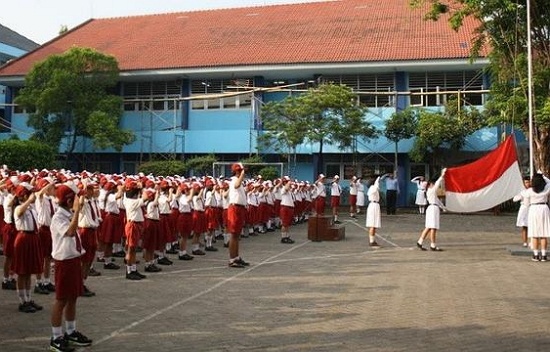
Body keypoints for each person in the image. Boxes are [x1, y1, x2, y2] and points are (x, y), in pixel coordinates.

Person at [49, 184, 92, 352]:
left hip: (73, 261)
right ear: (68, 200)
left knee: (73, 297)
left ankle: (71, 331)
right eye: (76, 198)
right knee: (61, 300)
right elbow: (71, 232)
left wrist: (75, 211)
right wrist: (76, 212)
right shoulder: (59, 217)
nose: (79, 200)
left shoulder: (68, 214)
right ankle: (56, 337)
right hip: (64, 263)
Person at [12, 181, 44, 313]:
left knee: (29, 271)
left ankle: (29, 298)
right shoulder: (19, 208)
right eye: (31, 193)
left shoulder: (31, 208)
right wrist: (28, 201)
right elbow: (19, 213)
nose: (34, 195)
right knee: (22, 272)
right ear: (24, 195)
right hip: (23, 239)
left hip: (32, 238)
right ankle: (22, 301)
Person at [123, 178, 149, 280]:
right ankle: (129, 271)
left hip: (135, 225)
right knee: (131, 249)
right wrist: (141, 188)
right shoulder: (132, 202)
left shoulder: (128, 199)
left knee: (133, 249)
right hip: (132, 225)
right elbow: (145, 197)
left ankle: (133, 269)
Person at [416, 169, 447, 251]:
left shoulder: (431, 192)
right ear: (430, 185)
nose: (434, 185)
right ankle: (433, 245)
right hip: (432, 209)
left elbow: (438, 201)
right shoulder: (431, 190)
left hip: (433, 208)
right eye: (432, 184)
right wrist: (442, 175)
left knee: (429, 227)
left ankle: (420, 241)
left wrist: (443, 207)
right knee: (433, 228)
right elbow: (437, 184)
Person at [226, 163, 249, 268]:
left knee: (237, 235)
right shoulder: (234, 180)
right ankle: (232, 259)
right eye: (240, 170)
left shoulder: (239, 181)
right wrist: (242, 175)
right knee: (234, 234)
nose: (242, 172)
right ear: (236, 171)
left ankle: (236, 257)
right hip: (235, 208)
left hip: (240, 208)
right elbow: (236, 185)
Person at [524, 173, 550, 261]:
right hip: (544, 208)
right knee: (544, 234)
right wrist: (543, 177)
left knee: (534, 234)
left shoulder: (529, 191)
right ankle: (543, 255)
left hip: (533, 209)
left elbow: (526, 204)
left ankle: (535, 255)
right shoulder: (546, 189)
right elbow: (549, 182)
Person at [513, 176, 531, 248]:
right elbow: (515, 199)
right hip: (524, 208)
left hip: (532, 208)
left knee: (532, 226)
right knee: (524, 226)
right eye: (526, 182)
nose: (528, 184)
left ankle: (531, 241)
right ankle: (525, 242)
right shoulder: (522, 191)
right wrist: (521, 195)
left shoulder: (534, 190)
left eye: (529, 182)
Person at [277, 176, 295, 244]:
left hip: (289, 208)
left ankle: (287, 236)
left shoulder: (289, 190)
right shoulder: (283, 188)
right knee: (284, 224)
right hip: (285, 207)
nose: (289, 183)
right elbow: (286, 188)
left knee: (287, 224)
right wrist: (289, 182)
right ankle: (283, 237)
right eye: (287, 182)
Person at [365, 175, 382, 248]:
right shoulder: (372, 188)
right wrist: (377, 180)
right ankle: (371, 241)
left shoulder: (374, 188)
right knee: (372, 224)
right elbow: (376, 187)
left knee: (374, 224)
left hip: (375, 205)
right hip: (373, 206)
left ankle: (373, 240)